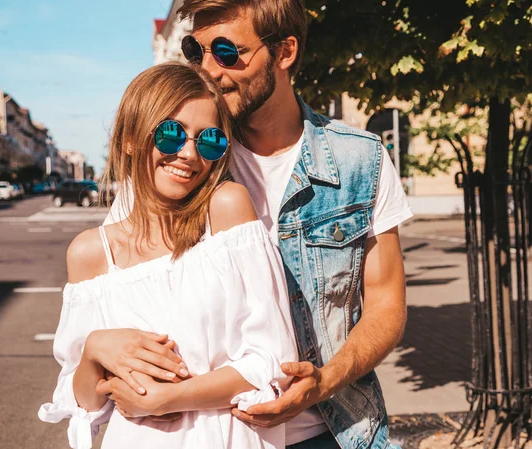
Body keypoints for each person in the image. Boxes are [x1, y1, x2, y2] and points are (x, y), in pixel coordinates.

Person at [103, 0, 412, 447]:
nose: (209, 69)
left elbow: (386, 305)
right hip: (208, 435)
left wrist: (324, 382)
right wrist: (99, 345)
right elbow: (112, 290)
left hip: (333, 432)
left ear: (284, 52)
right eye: (197, 50)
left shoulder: (360, 160)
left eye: (227, 52)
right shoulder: (177, 165)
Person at [38, 61, 299, 449]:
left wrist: (171, 398)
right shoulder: (91, 253)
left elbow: (273, 361)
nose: (190, 155)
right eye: (172, 134)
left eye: (209, 140)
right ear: (130, 138)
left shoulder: (226, 210)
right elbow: (84, 408)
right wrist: (94, 350)